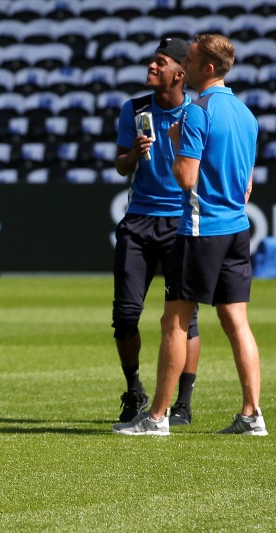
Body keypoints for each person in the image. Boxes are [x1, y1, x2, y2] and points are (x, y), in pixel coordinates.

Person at [114, 34, 265, 436]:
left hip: (200, 229)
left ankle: (158, 417)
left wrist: (176, 140)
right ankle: (252, 415)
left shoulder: (199, 112)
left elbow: (186, 177)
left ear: (207, 69)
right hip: (237, 227)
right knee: (237, 322)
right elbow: (248, 186)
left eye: (193, 60)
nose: (187, 66)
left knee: (174, 323)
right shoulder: (246, 114)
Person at [111, 37, 201, 426]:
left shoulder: (197, 113)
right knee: (125, 314)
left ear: (180, 74)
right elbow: (120, 167)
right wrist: (132, 153)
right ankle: (134, 390)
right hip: (139, 222)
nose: (151, 66)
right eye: (152, 60)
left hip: (182, 222)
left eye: (159, 62)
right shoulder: (133, 109)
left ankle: (182, 403)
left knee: (185, 319)